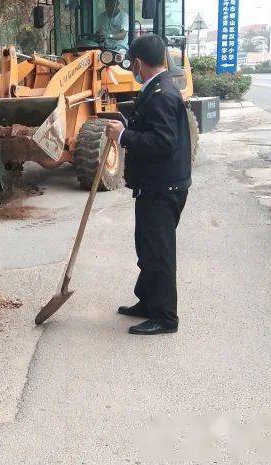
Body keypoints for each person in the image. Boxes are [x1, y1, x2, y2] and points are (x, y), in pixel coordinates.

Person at [102, 34, 191, 335]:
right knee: (147, 249)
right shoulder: (156, 89)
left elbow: (163, 143)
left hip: (164, 189)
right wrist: (125, 127)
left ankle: (165, 317)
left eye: (132, 64)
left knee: (160, 253)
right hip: (153, 186)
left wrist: (124, 137)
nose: (132, 70)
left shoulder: (162, 94)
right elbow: (152, 129)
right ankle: (148, 301)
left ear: (138, 62)